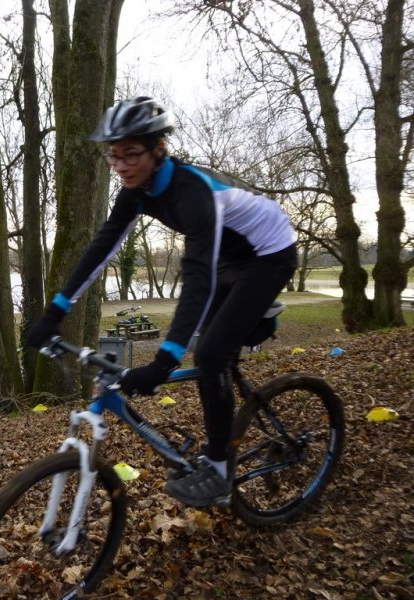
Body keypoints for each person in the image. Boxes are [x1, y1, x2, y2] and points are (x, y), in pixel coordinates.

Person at [27, 96, 297, 509]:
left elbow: (196, 279)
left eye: (131, 154)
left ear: (159, 150)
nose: (120, 165)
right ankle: (230, 366)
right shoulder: (136, 192)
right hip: (228, 254)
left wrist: (165, 359)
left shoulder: (193, 194)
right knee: (214, 352)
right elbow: (100, 250)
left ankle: (221, 469)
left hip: (268, 255)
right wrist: (55, 313)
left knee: (209, 353)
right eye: (113, 156)